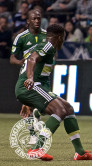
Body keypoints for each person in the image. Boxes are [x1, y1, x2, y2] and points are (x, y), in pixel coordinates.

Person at [15, 23, 92, 161]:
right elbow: (31, 60)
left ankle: (80, 152)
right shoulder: (48, 45)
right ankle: (37, 149)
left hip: (32, 88)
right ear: (60, 37)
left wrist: (27, 100)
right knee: (59, 111)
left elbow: (36, 71)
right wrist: (29, 81)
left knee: (68, 108)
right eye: (64, 38)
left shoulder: (48, 48)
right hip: (29, 87)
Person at [10, 9, 47, 145]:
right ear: (28, 21)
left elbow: (53, 53)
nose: (37, 21)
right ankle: (32, 135)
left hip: (43, 74)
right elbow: (12, 58)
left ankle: (37, 115)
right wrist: (21, 62)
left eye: (39, 18)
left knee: (44, 106)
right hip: (27, 74)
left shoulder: (47, 35)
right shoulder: (21, 37)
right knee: (26, 108)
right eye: (34, 19)